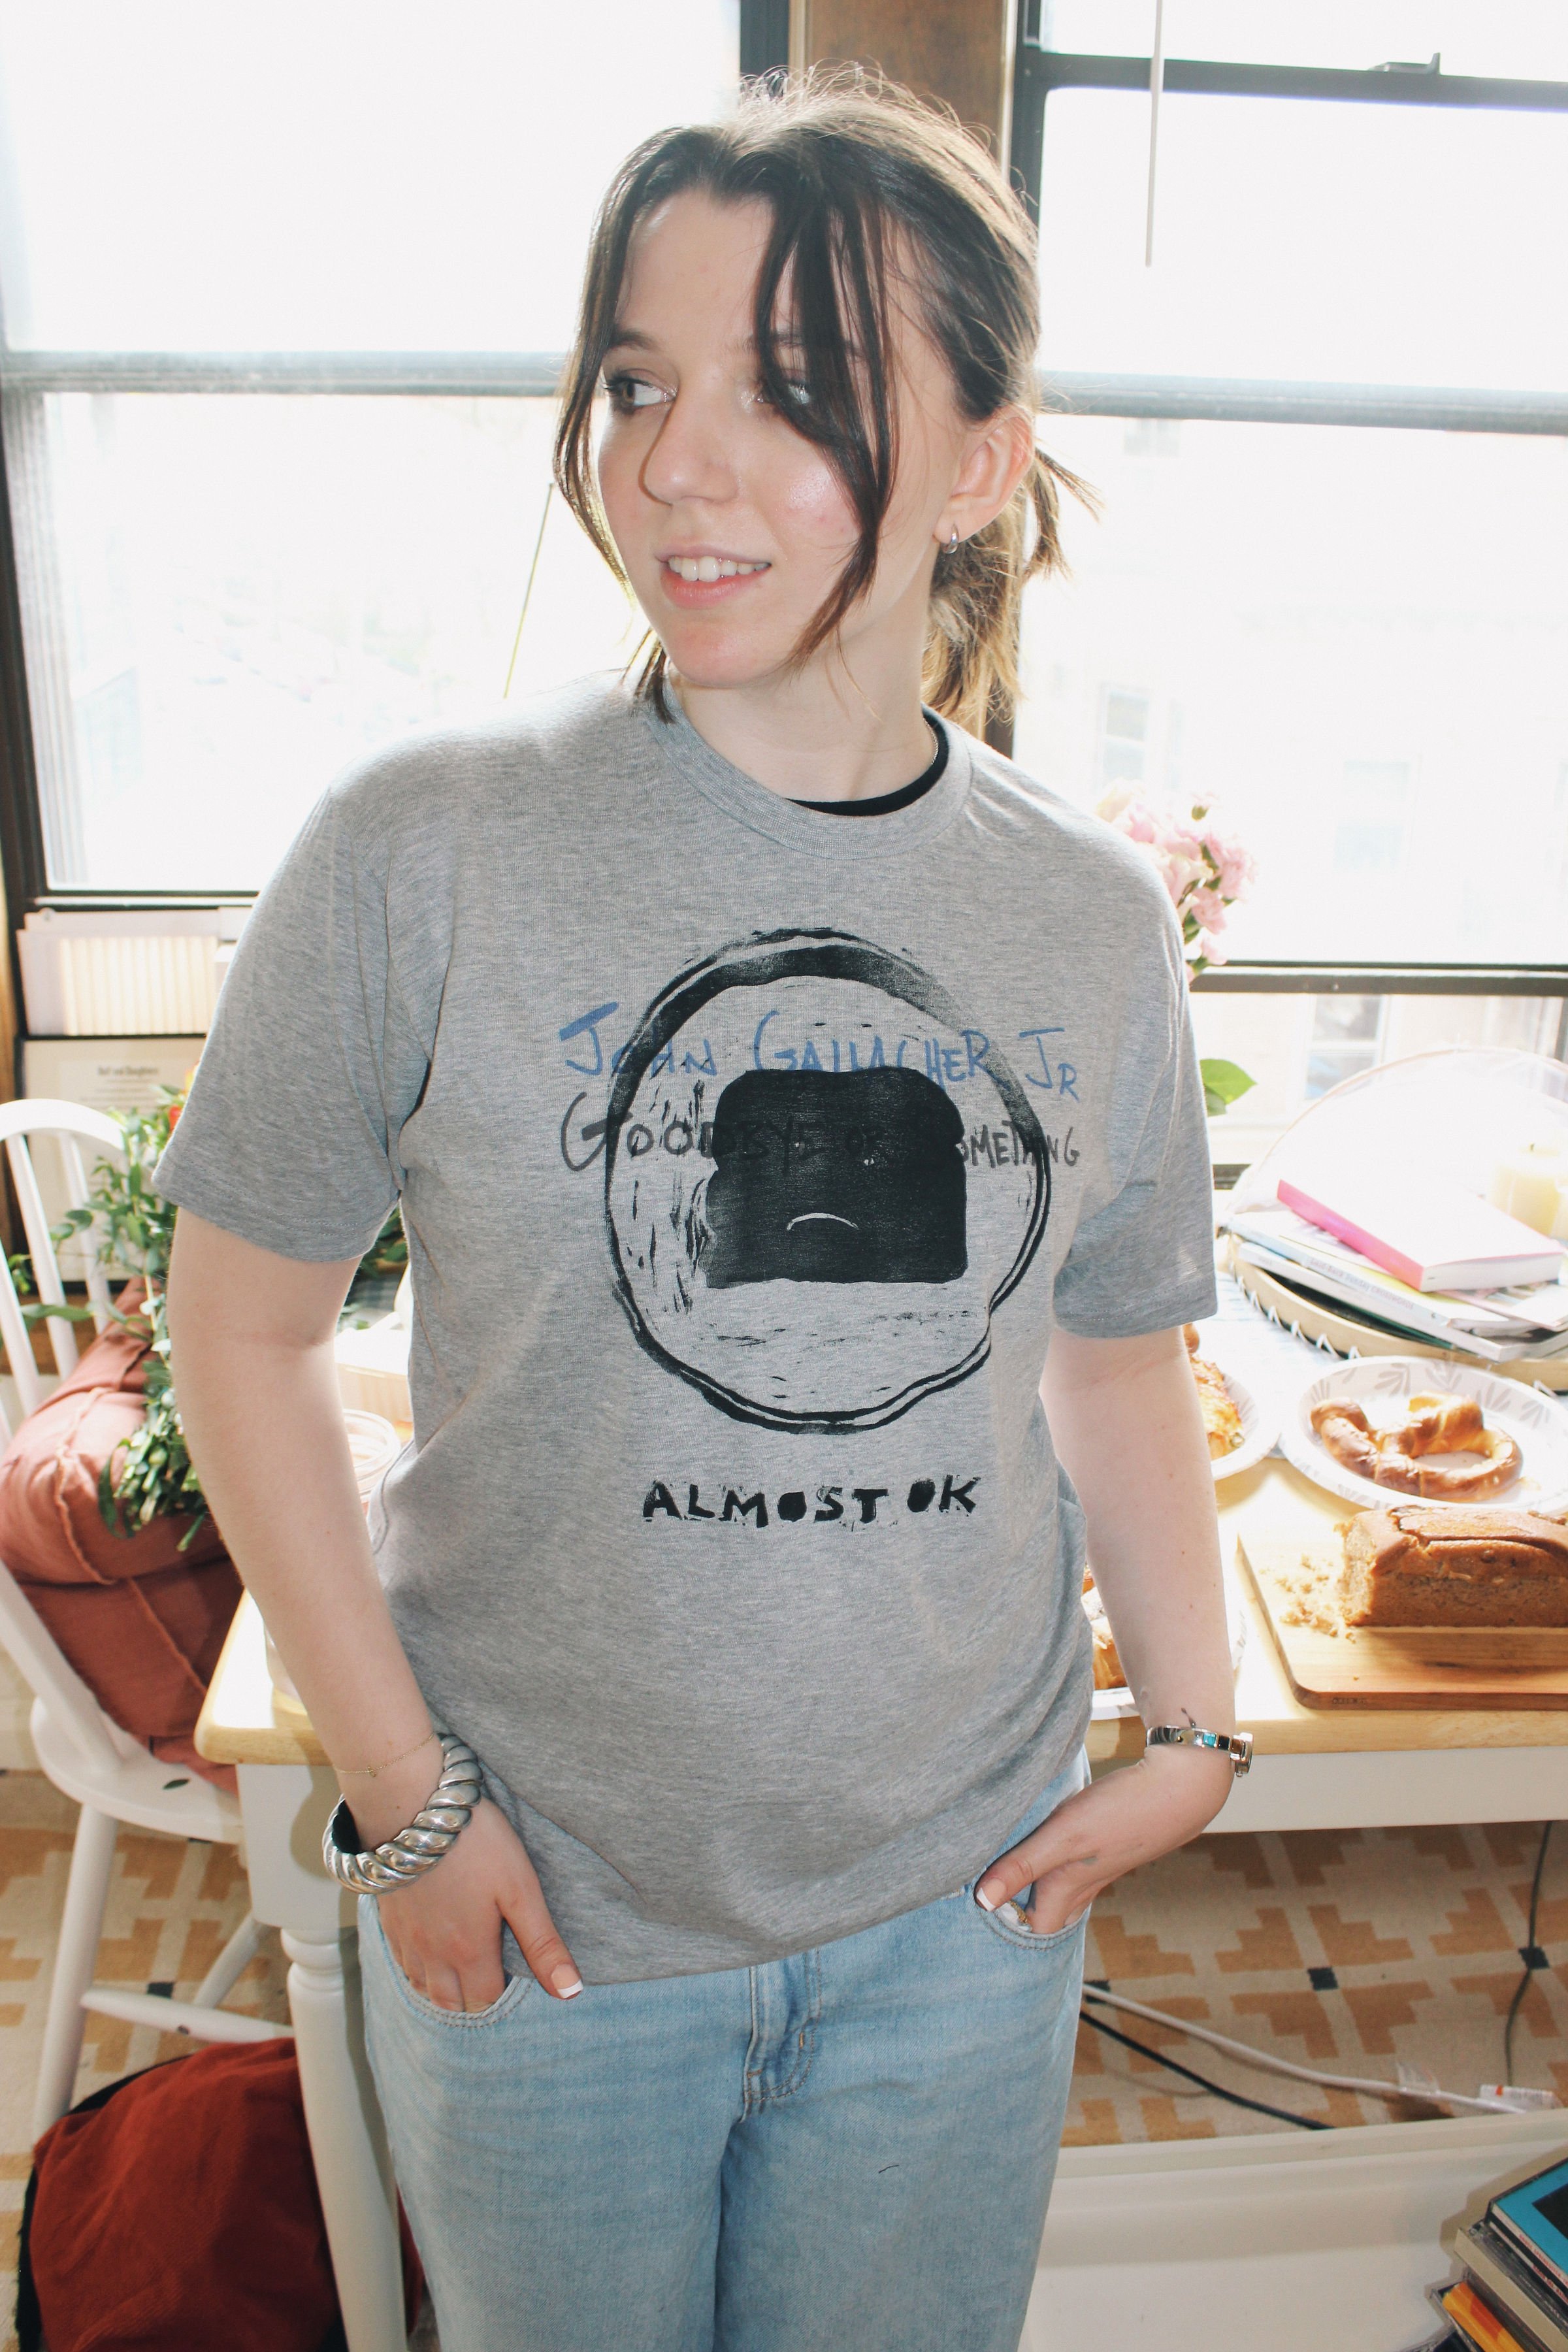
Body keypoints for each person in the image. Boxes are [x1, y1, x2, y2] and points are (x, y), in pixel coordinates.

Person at [162, 71, 1241, 2352]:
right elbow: (237, 1332)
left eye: (795, 389)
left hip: (964, 1919)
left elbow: (1116, 1346)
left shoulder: (1086, 915)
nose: (673, 462)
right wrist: (405, 1803)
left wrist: (1196, 1739)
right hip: (548, 1916)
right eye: (642, 382)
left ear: (978, 456)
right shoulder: (422, 847)